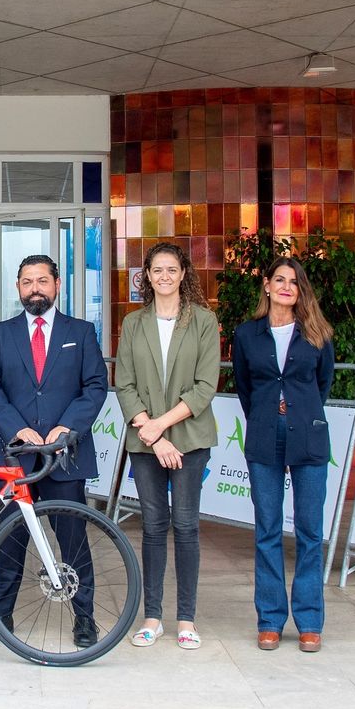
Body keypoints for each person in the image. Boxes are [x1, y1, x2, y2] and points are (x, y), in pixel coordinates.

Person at [0, 254, 108, 647]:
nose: (35, 288)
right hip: (17, 458)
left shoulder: (81, 332)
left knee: (73, 542)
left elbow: (95, 386)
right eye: (27, 282)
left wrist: (68, 426)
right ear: (18, 288)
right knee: (9, 539)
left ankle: (85, 618)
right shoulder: (0, 333)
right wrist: (19, 429)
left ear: (57, 285)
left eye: (42, 281)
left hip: (65, 457)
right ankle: (0, 619)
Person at [114, 243, 220, 650]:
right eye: (156, 270)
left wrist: (161, 426)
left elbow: (205, 386)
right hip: (146, 443)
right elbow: (124, 384)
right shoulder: (134, 323)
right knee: (154, 528)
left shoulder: (204, 321)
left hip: (190, 440)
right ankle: (153, 617)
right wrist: (153, 434)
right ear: (147, 276)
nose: (163, 276)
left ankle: (187, 619)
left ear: (182, 274)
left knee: (187, 526)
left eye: (171, 269)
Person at [231, 257, 335, 654]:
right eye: (280, 279)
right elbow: (245, 386)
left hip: (307, 438)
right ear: (267, 285)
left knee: (310, 532)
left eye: (294, 281)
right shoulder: (246, 334)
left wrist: (297, 413)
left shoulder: (317, 333)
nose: (287, 286)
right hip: (263, 438)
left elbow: (320, 385)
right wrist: (266, 414)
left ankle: (309, 621)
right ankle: (270, 621)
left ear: (300, 289)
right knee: (267, 531)